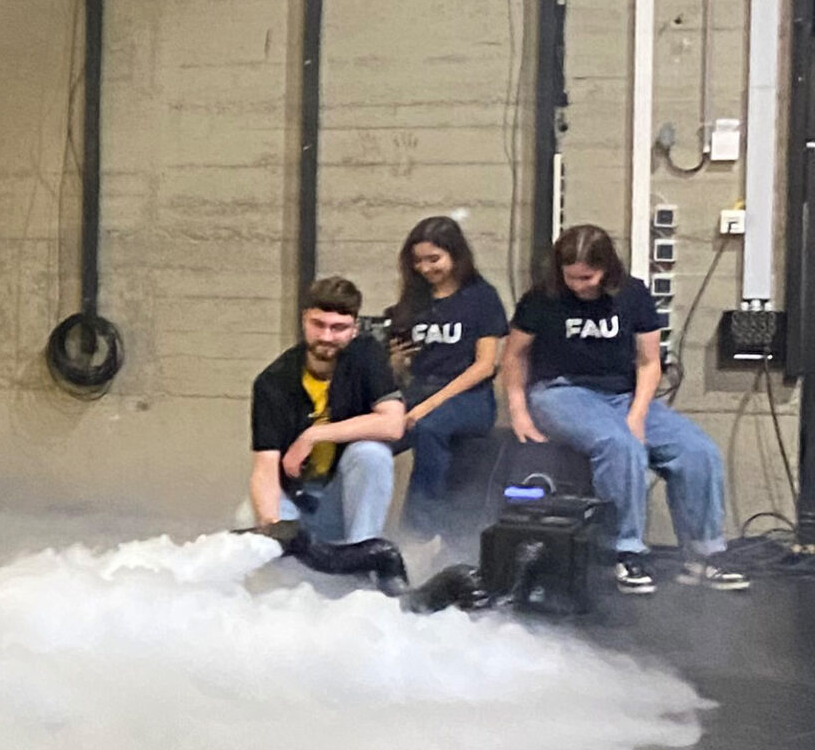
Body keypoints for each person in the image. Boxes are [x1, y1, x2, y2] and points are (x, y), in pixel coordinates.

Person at [503, 223, 747, 595]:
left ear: (606, 269)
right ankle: (624, 551)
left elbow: (649, 363)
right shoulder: (541, 298)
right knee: (619, 445)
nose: (578, 285)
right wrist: (519, 411)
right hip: (560, 391)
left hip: (622, 395)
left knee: (698, 451)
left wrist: (637, 414)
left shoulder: (633, 295)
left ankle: (703, 555)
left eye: (587, 277)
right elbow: (514, 355)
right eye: (571, 277)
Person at [249, 276, 407, 545]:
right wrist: (271, 524)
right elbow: (265, 467)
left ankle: (362, 552)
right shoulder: (273, 381)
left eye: (338, 328)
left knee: (372, 454)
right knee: (250, 519)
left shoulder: (367, 356)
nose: (326, 336)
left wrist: (314, 435)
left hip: (341, 496)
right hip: (296, 497)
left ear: (354, 328)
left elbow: (393, 424)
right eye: (318, 324)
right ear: (304, 320)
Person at [384, 215, 505, 541]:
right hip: (417, 389)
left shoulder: (481, 297)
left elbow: (484, 365)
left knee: (428, 428)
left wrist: (428, 405)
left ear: (455, 255)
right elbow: (401, 370)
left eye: (433, 259)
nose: (425, 268)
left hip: (469, 397)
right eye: (418, 261)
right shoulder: (413, 300)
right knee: (365, 439)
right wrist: (396, 363)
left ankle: (420, 533)